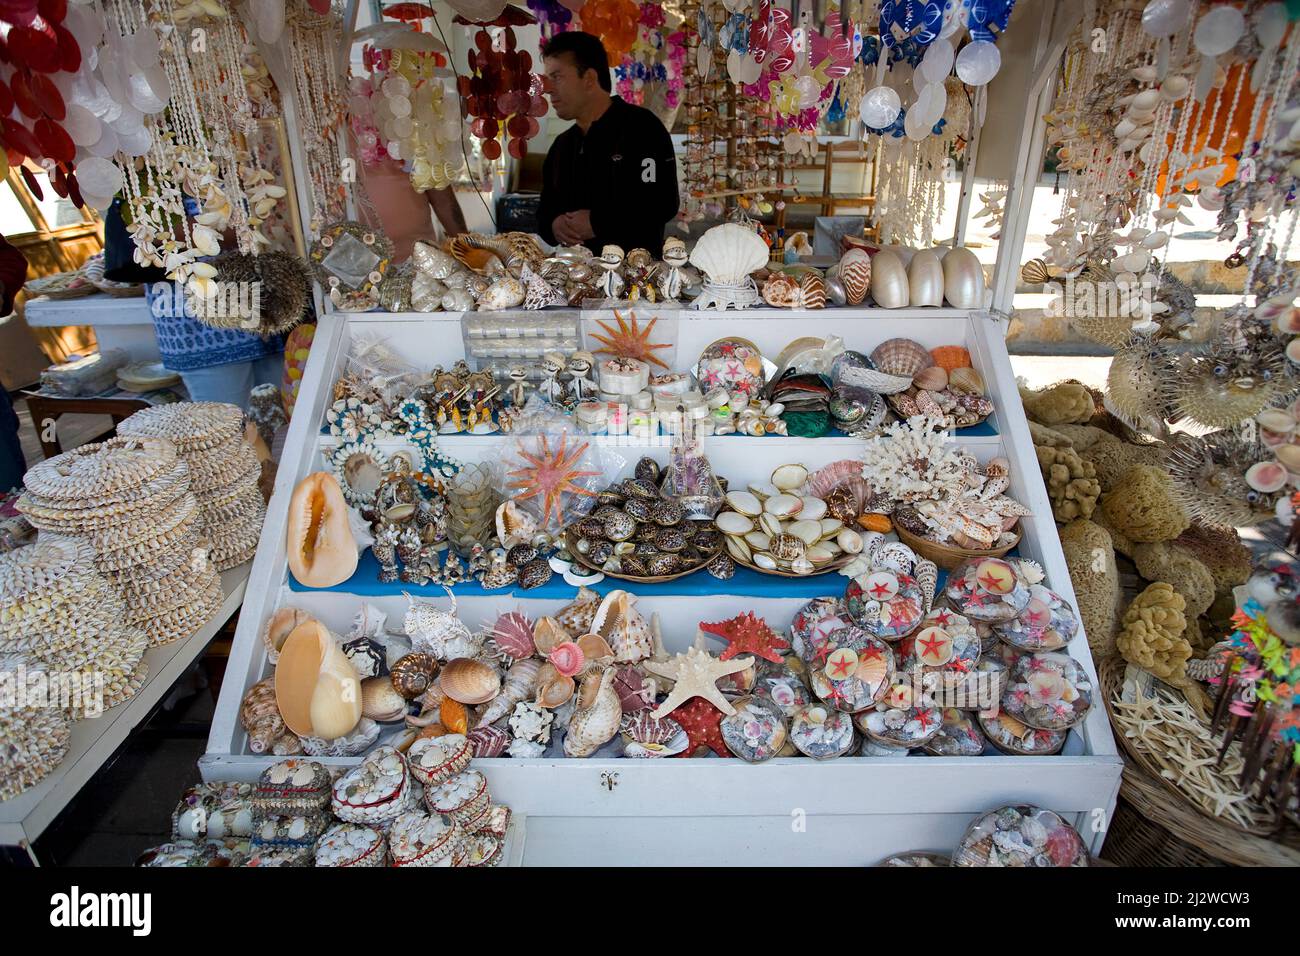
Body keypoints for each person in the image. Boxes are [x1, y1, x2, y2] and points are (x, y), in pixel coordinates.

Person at [536, 31, 679, 257]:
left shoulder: (642, 129)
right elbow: (545, 211)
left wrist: (598, 222)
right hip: (572, 275)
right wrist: (554, 225)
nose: (548, 88)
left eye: (557, 77)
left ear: (589, 79)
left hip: (636, 274)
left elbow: (661, 202)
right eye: (547, 78)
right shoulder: (562, 146)